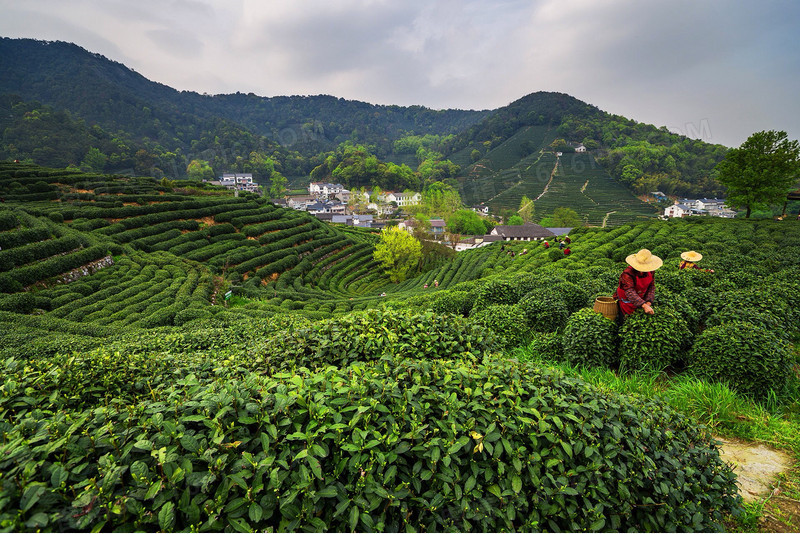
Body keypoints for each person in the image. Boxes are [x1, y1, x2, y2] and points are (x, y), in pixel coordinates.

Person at [615, 248, 662, 320]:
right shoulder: (628, 273)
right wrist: (643, 305)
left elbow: (651, 286)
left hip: (641, 297)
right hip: (627, 299)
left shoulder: (651, 271)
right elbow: (629, 291)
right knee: (626, 318)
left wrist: (649, 301)